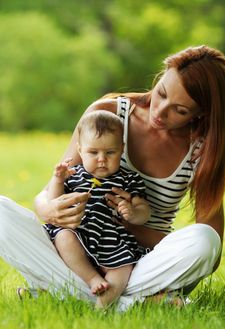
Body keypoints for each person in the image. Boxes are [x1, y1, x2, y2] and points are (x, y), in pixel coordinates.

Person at [0, 45, 225, 311]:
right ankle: (129, 303)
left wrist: (128, 224)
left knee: (204, 241)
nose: (159, 111)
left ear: (201, 113)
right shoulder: (106, 114)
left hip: (137, 262)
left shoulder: (203, 149)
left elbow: (212, 254)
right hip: (74, 249)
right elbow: (49, 193)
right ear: (161, 76)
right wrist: (49, 209)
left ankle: (67, 293)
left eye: (180, 110)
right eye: (161, 93)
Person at [43, 110, 150, 308]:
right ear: (80, 150)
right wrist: (58, 179)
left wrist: (134, 213)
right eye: (93, 153)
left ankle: (104, 304)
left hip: (112, 241)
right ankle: (92, 279)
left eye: (110, 152)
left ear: (122, 149)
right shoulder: (74, 176)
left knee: (124, 268)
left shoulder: (129, 179)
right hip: (78, 233)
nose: (102, 159)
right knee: (63, 238)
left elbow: (144, 208)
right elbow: (54, 201)